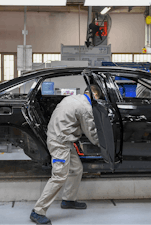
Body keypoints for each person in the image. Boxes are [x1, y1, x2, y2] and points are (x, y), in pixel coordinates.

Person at [30, 85, 102, 225]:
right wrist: (104, 144)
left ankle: (68, 200)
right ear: (94, 94)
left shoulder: (72, 98)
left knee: (76, 169)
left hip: (63, 139)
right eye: (98, 97)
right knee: (59, 176)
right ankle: (37, 211)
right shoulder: (85, 107)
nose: (98, 101)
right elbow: (91, 132)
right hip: (59, 142)